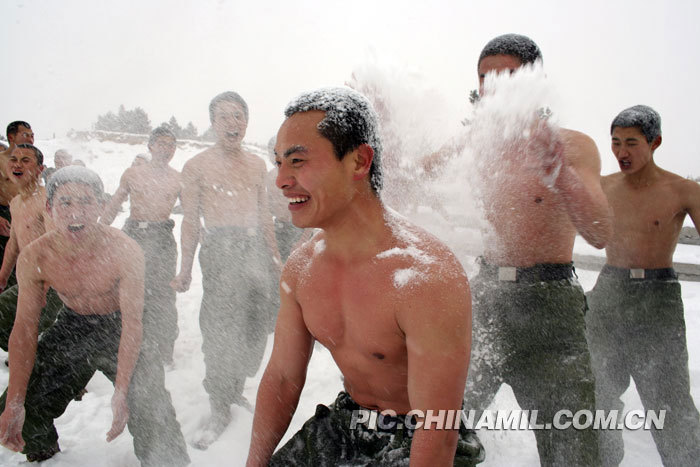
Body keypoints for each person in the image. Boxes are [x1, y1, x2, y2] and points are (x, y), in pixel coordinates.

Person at [246, 87, 484, 466]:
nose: (281, 180)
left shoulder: (425, 277)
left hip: (420, 433)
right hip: (348, 422)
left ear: (359, 161)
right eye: (278, 163)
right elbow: (283, 378)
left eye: (297, 161)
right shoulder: (302, 268)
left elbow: (437, 431)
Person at [457, 34, 612, 466]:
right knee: (440, 428)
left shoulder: (573, 145)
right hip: (485, 301)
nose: (493, 87)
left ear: (534, 81)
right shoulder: (473, 145)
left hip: (551, 307)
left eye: (507, 76)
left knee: (571, 447)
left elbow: (600, 232)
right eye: (484, 78)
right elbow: (410, 184)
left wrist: (559, 172)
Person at [0, 166, 190, 465]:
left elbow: (133, 324)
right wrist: (15, 402)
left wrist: (123, 391)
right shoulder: (37, 256)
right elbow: (24, 328)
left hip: (120, 326)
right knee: (19, 408)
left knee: (150, 408)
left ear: (101, 206)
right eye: (65, 202)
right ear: (49, 208)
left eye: (86, 201)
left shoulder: (124, 250)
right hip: (73, 324)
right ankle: (43, 455)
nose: (76, 213)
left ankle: (166, 462)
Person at [585, 105, 700, 466]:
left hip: (657, 298)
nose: (622, 152)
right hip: (609, 293)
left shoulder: (683, 190)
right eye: (616, 142)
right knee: (596, 393)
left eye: (632, 143)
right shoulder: (602, 186)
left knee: (670, 400)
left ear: (655, 142)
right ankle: (602, 461)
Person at [171, 91, 281, 448]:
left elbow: (264, 215)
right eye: (224, 117)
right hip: (220, 249)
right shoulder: (197, 166)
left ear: (246, 122)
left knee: (255, 324)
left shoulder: (257, 165)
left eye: (239, 116)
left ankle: (235, 388)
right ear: (212, 123)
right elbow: (190, 221)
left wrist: (274, 256)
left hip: (254, 249)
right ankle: (219, 403)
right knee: (221, 328)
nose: (233, 124)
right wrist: (185, 268)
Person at [101, 126, 182, 365]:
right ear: (150, 146)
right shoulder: (133, 174)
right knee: (127, 291)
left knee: (164, 294)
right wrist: (98, 230)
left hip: (163, 236)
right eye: (161, 144)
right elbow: (115, 203)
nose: (166, 149)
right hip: (134, 234)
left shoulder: (178, 178)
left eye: (171, 145)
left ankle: (164, 351)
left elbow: (192, 212)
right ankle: (124, 345)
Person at [0, 144, 62, 351]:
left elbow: (55, 242)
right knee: (20, 333)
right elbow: (13, 244)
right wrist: (2, 277)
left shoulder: (46, 200)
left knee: (28, 330)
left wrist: (45, 285)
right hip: (30, 278)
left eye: (25, 160)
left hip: (51, 281)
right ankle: (26, 356)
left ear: (39, 169)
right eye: (14, 159)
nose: (17, 165)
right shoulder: (16, 203)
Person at [0, 122, 34, 286]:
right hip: (4, 214)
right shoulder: (1, 160)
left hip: (24, 214)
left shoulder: (31, 161)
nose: (31, 139)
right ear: (11, 137)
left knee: (25, 262)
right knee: (5, 262)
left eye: (32, 135)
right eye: (25, 135)